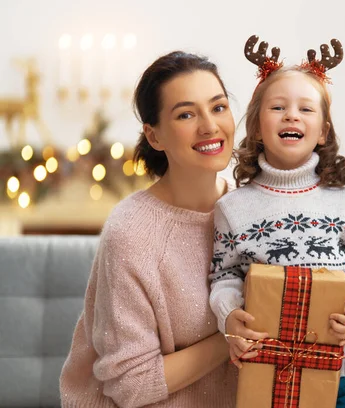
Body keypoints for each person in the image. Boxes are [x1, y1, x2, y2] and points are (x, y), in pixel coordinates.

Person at [208, 36, 345, 408]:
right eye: (278, 107)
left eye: (306, 109)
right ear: (257, 126)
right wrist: (228, 317)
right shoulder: (232, 208)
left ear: (322, 132)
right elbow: (223, 277)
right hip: (265, 372)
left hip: (343, 375)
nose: (291, 115)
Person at [60, 51, 238, 407]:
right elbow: (132, 385)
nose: (209, 126)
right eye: (186, 114)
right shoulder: (132, 233)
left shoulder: (252, 211)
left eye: (218, 107)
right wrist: (230, 337)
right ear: (154, 136)